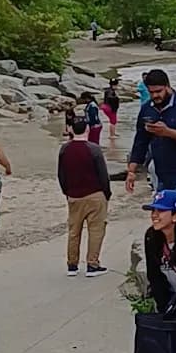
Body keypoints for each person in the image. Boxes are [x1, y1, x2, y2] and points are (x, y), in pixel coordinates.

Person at [127, 69, 176, 212]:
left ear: (168, 86)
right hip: (161, 172)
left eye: (159, 91)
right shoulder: (147, 110)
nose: (155, 96)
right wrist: (132, 170)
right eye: (151, 92)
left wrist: (168, 132)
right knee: (163, 212)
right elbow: (141, 140)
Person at [57, 116, 111, 276]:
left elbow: (61, 174)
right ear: (87, 129)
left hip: (74, 195)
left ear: (71, 130)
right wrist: (107, 193)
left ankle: (72, 265)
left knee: (74, 231)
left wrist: (66, 191)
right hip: (95, 193)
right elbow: (103, 174)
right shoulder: (94, 149)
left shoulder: (64, 149)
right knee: (96, 230)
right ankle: (92, 264)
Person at [101, 78, 120, 145]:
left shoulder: (108, 90)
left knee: (113, 121)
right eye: (116, 85)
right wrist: (116, 98)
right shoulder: (111, 92)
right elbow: (111, 99)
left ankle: (113, 133)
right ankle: (112, 135)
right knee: (113, 121)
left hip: (106, 106)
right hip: (110, 108)